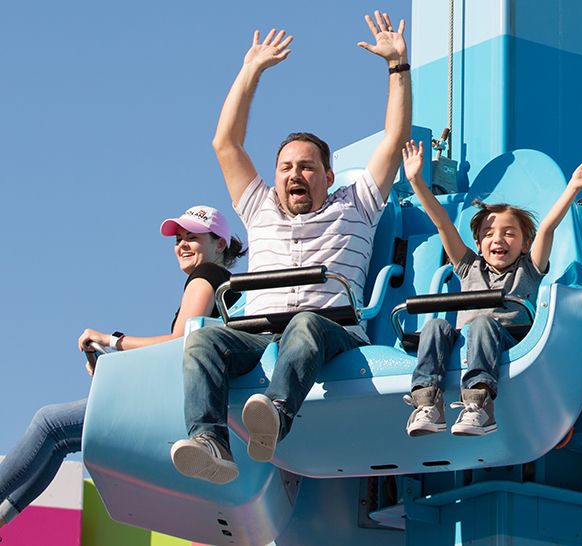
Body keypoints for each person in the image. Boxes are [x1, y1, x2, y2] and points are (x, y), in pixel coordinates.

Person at [170, 11, 411, 484]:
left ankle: (276, 415)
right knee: (203, 339)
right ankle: (210, 441)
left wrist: (397, 68)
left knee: (304, 324)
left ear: (328, 175)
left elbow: (395, 137)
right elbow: (225, 142)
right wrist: (250, 71)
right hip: (258, 331)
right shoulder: (260, 208)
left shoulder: (357, 202)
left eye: (305, 167)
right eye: (284, 167)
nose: (293, 175)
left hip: (329, 330)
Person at [0, 206, 243, 529]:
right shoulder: (226, 283)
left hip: (176, 408)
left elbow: (178, 343)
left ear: (220, 244)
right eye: (179, 239)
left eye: (193, 238)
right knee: (61, 438)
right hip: (188, 405)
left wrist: (112, 340)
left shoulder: (208, 276)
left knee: (49, 423)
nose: (182, 245)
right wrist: (117, 365)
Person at [400, 139, 582, 437]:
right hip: (467, 341)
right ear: (478, 244)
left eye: (509, 234)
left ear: (525, 244)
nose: (498, 239)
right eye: (489, 234)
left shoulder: (528, 267)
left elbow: (548, 226)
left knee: (484, 323)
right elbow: (443, 223)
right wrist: (416, 181)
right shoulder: (469, 266)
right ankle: (426, 404)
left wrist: (572, 189)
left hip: (507, 338)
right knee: (434, 325)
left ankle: (479, 405)